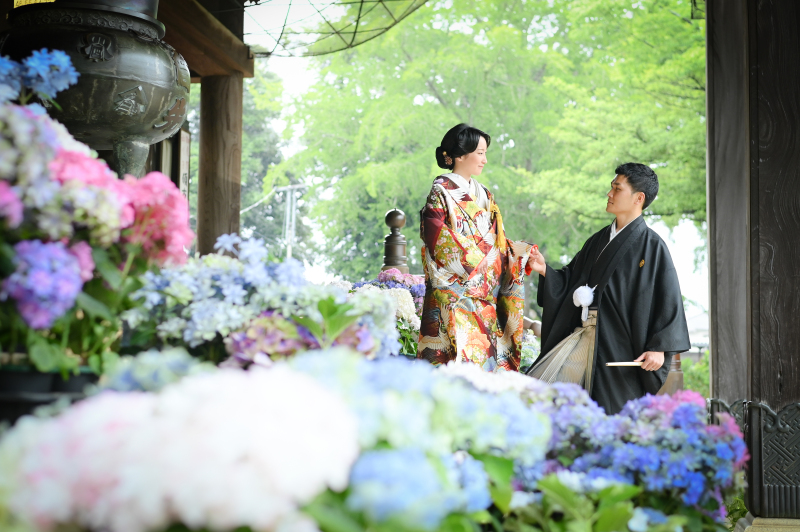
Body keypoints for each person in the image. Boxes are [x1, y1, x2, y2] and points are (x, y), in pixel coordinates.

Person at [527, 163, 690, 414]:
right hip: (584, 336)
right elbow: (572, 280)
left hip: (619, 345)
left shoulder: (652, 246)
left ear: (638, 198)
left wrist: (659, 347)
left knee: (610, 414)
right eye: (611, 187)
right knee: (549, 398)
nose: (609, 193)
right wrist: (545, 270)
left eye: (617, 188)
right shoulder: (598, 240)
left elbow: (667, 299)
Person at [417, 123, 535, 371]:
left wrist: (521, 254)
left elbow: (499, 243)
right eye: (480, 153)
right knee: (452, 372)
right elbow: (436, 238)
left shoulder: (485, 195)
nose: (485, 160)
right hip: (453, 296)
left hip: (484, 300)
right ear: (460, 155)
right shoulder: (441, 191)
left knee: (483, 373)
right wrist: (478, 262)